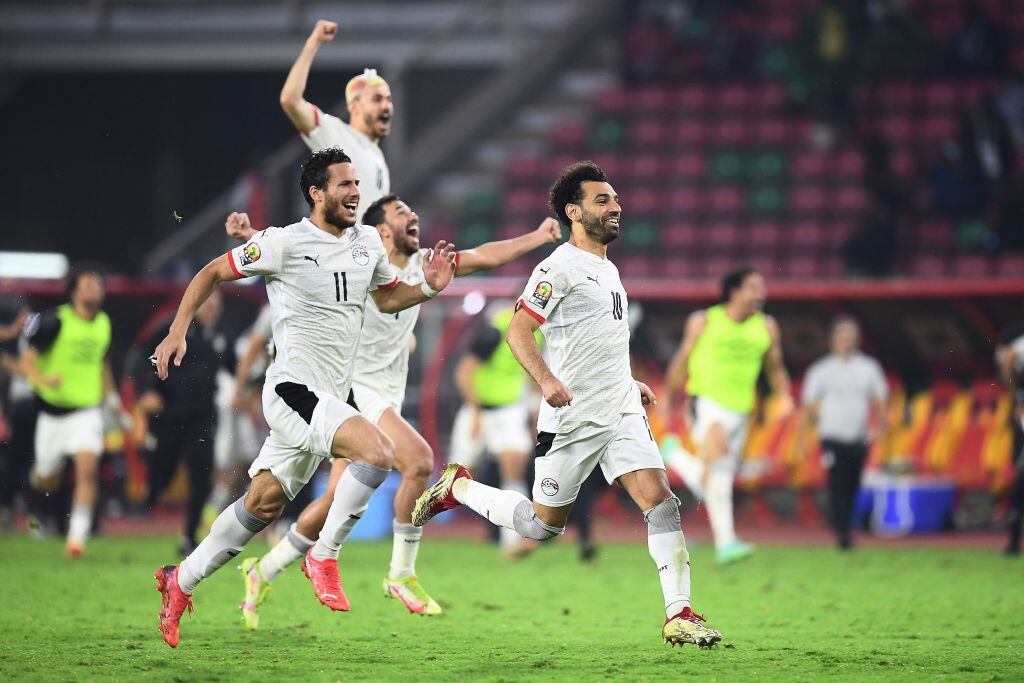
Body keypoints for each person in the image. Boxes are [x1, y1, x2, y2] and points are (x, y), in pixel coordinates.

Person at [151, 147, 457, 649]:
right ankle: (324, 554)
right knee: (379, 452)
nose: (356, 192)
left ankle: (179, 581)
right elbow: (211, 272)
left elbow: (387, 296)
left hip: (330, 397)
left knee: (261, 506)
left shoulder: (366, 244)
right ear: (317, 193)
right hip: (293, 388)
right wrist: (176, 332)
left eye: (357, 183)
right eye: (343, 184)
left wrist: (427, 288)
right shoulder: (283, 244)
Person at [412, 161, 722, 648]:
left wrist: (629, 380)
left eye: (616, 198)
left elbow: (597, 342)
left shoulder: (607, 268)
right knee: (541, 526)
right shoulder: (556, 268)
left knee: (661, 503)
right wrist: (546, 379)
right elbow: (518, 331)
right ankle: (461, 488)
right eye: (603, 200)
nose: (616, 206)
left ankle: (678, 614)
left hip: (619, 409)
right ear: (573, 212)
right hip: (572, 417)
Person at [239, 196, 561, 627]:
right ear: (382, 231)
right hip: (353, 390)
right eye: (402, 213)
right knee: (419, 460)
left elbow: (483, 256)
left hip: (383, 392)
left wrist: (538, 237)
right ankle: (400, 573)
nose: (414, 217)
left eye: (413, 211)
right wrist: (254, 240)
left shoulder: (423, 266)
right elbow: (304, 254)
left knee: (335, 499)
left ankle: (264, 570)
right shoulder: (359, 266)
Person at [660, 267, 792, 564]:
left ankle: (676, 455)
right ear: (735, 291)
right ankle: (727, 542)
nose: (762, 294)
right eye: (754, 287)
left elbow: (775, 366)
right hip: (705, 401)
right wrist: (669, 396)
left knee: (715, 478)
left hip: (742, 409)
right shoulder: (704, 321)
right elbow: (682, 359)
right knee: (718, 460)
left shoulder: (767, 327)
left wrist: (783, 396)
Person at [16, 264, 118, 558]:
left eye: (98, 284)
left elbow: (102, 364)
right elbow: (26, 360)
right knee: (47, 478)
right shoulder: (54, 322)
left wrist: (110, 398)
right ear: (73, 290)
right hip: (52, 415)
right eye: (88, 284)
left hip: (86, 412)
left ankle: (76, 540)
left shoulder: (103, 324)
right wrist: (43, 379)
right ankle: (37, 479)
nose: (94, 289)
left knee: (88, 471)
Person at [134, 290, 231, 556]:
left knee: (202, 474)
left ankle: (189, 535)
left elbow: (233, 366)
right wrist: (147, 390)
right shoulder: (172, 328)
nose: (213, 308)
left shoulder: (220, 335)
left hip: (204, 416)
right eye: (208, 302)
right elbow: (141, 359)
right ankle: (152, 493)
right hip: (171, 414)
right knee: (163, 468)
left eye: (217, 304)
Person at [451, 304, 539, 559]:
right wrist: (475, 410)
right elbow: (465, 370)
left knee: (514, 465)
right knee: (457, 477)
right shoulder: (496, 330)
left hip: (510, 411)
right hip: (478, 410)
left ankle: (516, 539)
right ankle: (418, 528)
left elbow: (533, 375)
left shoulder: (543, 334)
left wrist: (534, 415)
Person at [796, 317, 888, 550]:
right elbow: (807, 407)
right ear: (832, 340)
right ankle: (842, 530)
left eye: (851, 334)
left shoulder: (869, 368)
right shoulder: (821, 370)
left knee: (853, 483)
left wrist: (882, 428)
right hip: (831, 436)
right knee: (837, 482)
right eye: (843, 335)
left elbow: (879, 401)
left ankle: (845, 525)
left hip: (858, 436)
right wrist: (802, 438)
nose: (847, 340)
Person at [995, 325, 1024, 556]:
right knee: (1020, 477)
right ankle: (1014, 537)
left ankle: (1014, 539)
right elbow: (1009, 358)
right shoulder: (1019, 344)